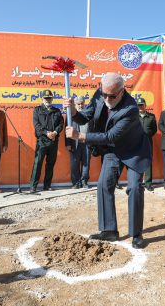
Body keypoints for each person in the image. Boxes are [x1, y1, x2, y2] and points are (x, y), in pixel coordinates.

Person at [64, 72, 151, 249]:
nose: (107, 98)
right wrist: (73, 110)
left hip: (134, 151)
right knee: (104, 185)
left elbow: (110, 136)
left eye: (112, 96)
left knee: (134, 188)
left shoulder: (130, 108)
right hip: (113, 150)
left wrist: (80, 136)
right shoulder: (100, 95)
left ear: (122, 91)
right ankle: (109, 230)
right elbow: (85, 116)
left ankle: (136, 234)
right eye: (104, 94)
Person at [29, 90, 64, 193]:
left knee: (50, 164)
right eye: (46, 98)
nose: (47, 100)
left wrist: (55, 132)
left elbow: (61, 124)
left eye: (49, 98)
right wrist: (47, 133)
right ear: (42, 99)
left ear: (52, 99)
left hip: (53, 141)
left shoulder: (57, 111)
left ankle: (47, 185)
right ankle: (33, 186)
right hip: (42, 141)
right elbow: (37, 125)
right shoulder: (37, 110)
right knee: (38, 163)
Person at [65, 96, 91, 188]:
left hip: (86, 142)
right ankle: (76, 183)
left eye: (82, 104)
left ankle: (84, 182)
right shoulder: (70, 115)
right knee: (75, 163)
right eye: (78, 104)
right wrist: (68, 143)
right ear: (75, 105)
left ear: (84, 104)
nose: (80, 106)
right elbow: (67, 129)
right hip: (74, 143)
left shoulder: (88, 114)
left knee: (86, 163)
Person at [136, 97, 157, 191]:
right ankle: (138, 183)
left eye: (142, 105)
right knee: (137, 162)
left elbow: (154, 130)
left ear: (145, 106)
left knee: (148, 162)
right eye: (139, 105)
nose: (140, 107)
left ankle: (148, 183)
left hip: (148, 142)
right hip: (136, 143)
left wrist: (147, 136)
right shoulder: (134, 117)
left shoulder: (151, 116)